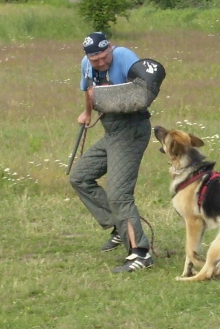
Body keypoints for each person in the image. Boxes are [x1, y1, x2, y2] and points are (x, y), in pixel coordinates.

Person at [69, 31, 163, 273]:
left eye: (103, 57)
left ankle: (140, 254)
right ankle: (119, 227)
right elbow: (87, 89)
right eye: (95, 60)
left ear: (109, 48)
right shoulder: (86, 64)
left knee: (119, 194)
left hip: (131, 129)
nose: (100, 63)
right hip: (111, 131)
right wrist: (87, 112)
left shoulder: (124, 57)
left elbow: (142, 92)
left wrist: (107, 96)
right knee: (79, 176)